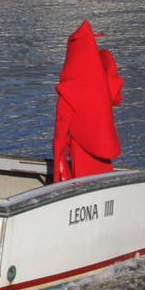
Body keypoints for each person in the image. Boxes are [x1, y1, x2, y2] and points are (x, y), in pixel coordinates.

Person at [52, 20, 124, 181]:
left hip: (82, 147)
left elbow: (61, 131)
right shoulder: (101, 83)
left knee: (85, 178)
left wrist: (58, 167)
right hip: (104, 145)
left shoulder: (69, 89)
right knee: (103, 177)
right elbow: (116, 98)